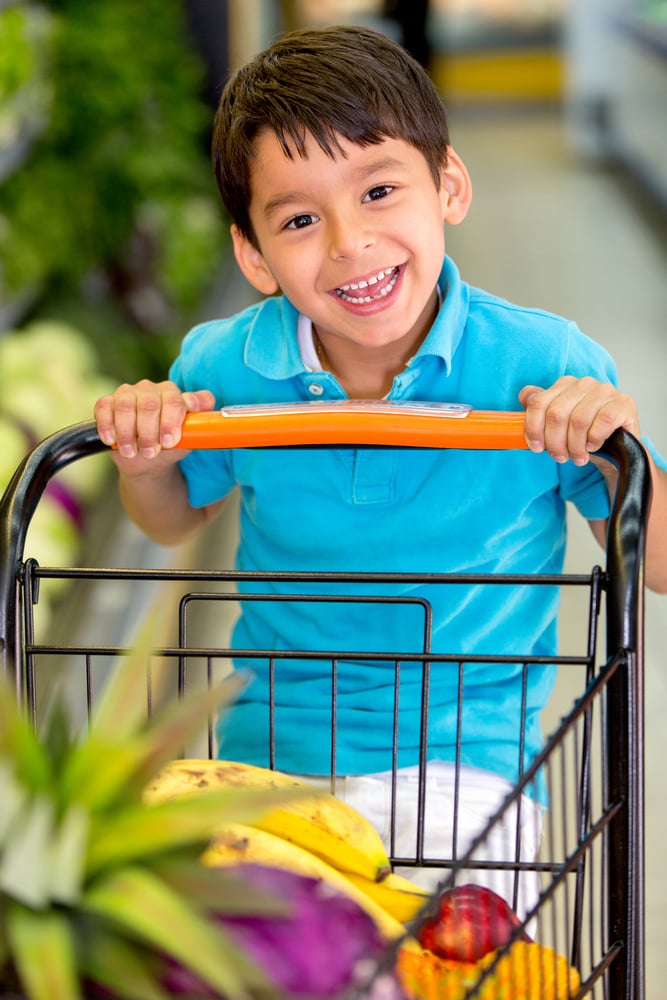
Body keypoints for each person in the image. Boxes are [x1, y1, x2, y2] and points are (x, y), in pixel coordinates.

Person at [94, 25, 667, 908]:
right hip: (262, 748)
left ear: (449, 186)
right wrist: (142, 459)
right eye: (298, 219)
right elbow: (173, 516)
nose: (349, 243)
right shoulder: (225, 368)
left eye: (379, 189)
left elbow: (657, 563)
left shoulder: (543, 363)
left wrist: (615, 447)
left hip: (466, 761)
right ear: (252, 256)